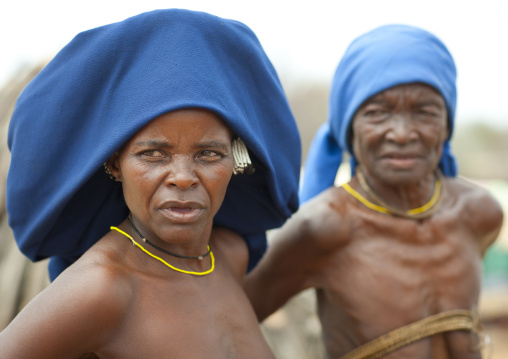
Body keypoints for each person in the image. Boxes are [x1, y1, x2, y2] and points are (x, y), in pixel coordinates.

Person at [1, 9, 301, 358]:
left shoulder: (228, 257)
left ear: (236, 159)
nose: (184, 177)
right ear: (115, 164)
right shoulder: (100, 289)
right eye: (154, 155)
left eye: (208, 154)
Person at [244, 24, 504, 358]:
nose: (401, 133)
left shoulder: (479, 214)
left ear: (446, 124)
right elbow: (236, 322)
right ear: (349, 128)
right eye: (377, 113)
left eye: (424, 112)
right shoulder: (324, 229)